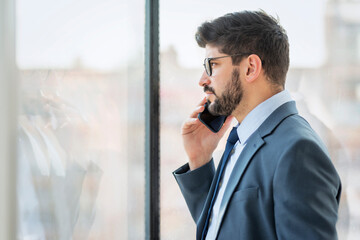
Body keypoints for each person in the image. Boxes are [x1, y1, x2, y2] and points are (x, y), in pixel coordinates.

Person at [173, 10, 341, 240]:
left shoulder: (297, 150)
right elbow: (224, 229)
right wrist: (199, 159)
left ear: (251, 67)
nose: (202, 80)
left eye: (212, 65)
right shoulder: (242, 139)